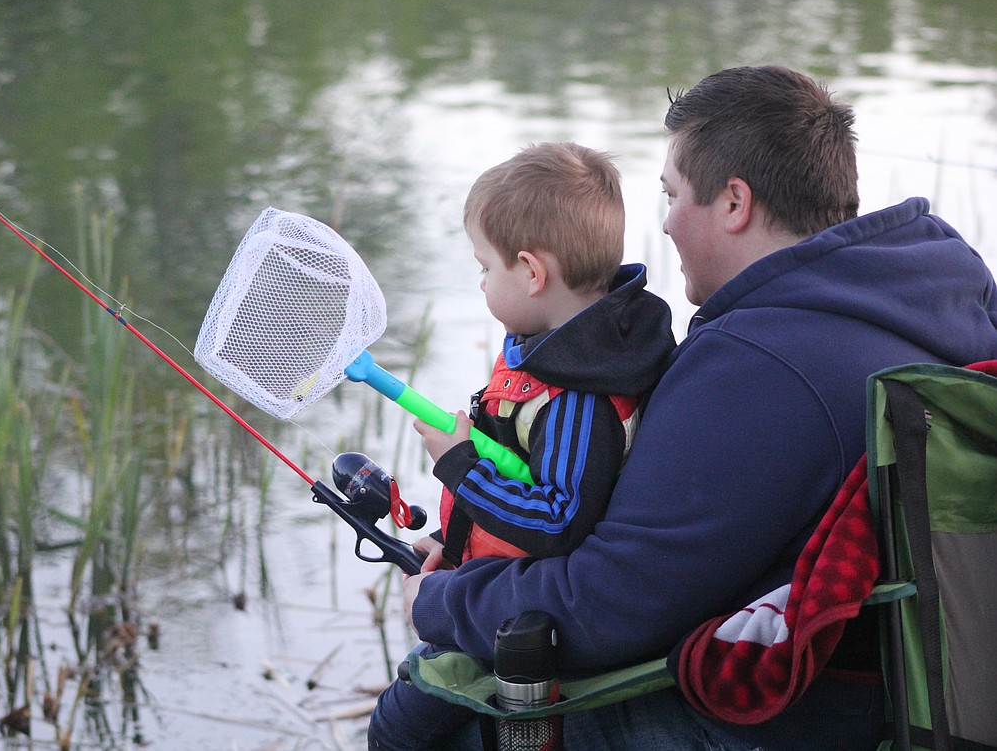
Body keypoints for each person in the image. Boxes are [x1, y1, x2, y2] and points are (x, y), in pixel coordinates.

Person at [372, 65, 997, 750]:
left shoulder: (760, 364)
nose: (664, 223)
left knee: (427, 728)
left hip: (785, 718)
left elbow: (608, 606)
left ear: (734, 202)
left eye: (671, 194)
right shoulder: (938, 291)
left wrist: (443, 599)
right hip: (890, 691)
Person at [369, 142, 676, 746]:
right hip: (484, 585)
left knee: (397, 729)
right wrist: (444, 538)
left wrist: (460, 469)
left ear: (533, 274)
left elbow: (559, 519)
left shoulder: (579, 396)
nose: (480, 281)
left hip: (519, 620)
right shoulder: (554, 351)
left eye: (485, 266)